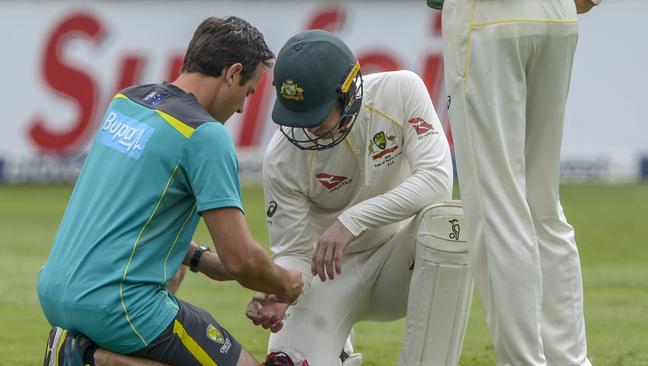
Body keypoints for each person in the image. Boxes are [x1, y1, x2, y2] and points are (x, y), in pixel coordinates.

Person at [37, 16, 303, 366]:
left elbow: (124, 215)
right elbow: (241, 258)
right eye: (248, 92)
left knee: (173, 270)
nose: (241, 107)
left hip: (55, 292)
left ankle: (80, 349)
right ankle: (88, 358)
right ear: (232, 73)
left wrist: (200, 260)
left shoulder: (127, 101)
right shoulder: (205, 134)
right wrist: (286, 285)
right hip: (116, 305)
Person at [245, 30, 475, 366]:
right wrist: (281, 290)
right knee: (288, 362)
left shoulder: (401, 91)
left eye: (316, 115)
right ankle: (337, 354)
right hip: (325, 276)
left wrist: (351, 220)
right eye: (298, 116)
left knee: (450, 224)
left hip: (402, 263)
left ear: (349, 91)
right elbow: (293, 249)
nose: (307, 130)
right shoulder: (282, 155)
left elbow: (437, 180)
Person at [439, 0, 601, 364]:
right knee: (543, 204)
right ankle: (570, 360)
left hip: (486, 18)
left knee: (498, 208)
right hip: (557, 16)